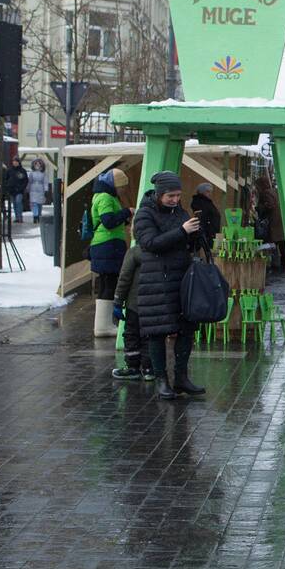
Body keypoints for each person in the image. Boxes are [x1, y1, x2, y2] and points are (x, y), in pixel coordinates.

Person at [133, 171, 205, 400]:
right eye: (170, 196)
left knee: (186, 328)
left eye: (177, 195)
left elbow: (185, 241)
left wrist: (196, 233)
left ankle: (181, 377)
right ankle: (161, 380)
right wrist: (182, 231)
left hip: (182, 279)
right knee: (157, 332)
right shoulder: (145, 214)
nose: (175, 200)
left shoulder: (179, 211)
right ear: (159, 194)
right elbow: (150, 243)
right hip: (157, 281)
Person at [90, 168, 133, 338]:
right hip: (107, 245)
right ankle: (103, 326)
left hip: (108, 245)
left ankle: (103, 324)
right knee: (109, 283)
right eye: (121, 187)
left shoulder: (105, 196)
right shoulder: (105, 197)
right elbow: (108, 221)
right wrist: (126, 212)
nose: (122, 190)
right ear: (114, 184)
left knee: (107, 283)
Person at [111, 244, 152, 381]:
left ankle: (133, 367)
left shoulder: (134, 252)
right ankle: (149, 368)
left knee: (132, 335)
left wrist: (117, 301)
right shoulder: (161, 250)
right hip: (154, 304)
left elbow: (124, 278)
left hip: (134, 303)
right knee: (150, 336)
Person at [255, 175, 285, 273]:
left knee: (271, 244)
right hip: (280, 221)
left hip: (274, 223)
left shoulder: (265, 194)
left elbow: (269, 206)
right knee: (282, 244)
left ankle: (273, 265)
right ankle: (284, 265)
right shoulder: (274, 191)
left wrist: (258, 208)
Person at [3, 157, 28, 223]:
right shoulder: (9, 170)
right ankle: (17, 217)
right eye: (14, 161)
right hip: (12, 190)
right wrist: (8, 187)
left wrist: (21, 188)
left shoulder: (22, 171)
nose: (15, 163)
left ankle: (20, 217)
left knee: (18, 202)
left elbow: (25, 181)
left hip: (19, 190)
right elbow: (6, 179)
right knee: (14, 204)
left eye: (16, 161)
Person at [28, 159, 48, 224]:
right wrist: (27, 189)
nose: (37, 165)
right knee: (34, 204)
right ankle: (35, 216)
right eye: (36, 164)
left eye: (38, 164)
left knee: (39, 204)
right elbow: (29, 182)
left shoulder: (43, 173)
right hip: (33, 190)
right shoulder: (31, 173)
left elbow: (45, 182)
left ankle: (39, 215)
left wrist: (46, 189)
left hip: (40, 190)